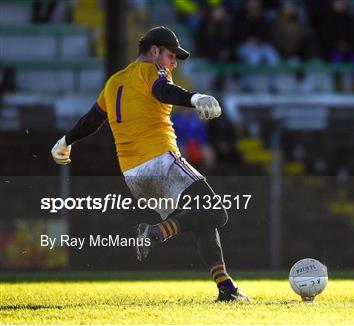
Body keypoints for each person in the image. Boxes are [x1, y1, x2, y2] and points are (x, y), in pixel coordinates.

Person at [50, 26, 250, 302]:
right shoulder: (151, 71)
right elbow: (163, 90)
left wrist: (65, 140)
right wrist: (194, 97)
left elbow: (92, 121)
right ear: (154, 51)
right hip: (160, 160)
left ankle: (225, 288)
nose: (173, 63)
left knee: (201, 219)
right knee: (216, 212)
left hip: (133, 176)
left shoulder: (113, 82)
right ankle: (154, 232)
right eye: (171, 56)